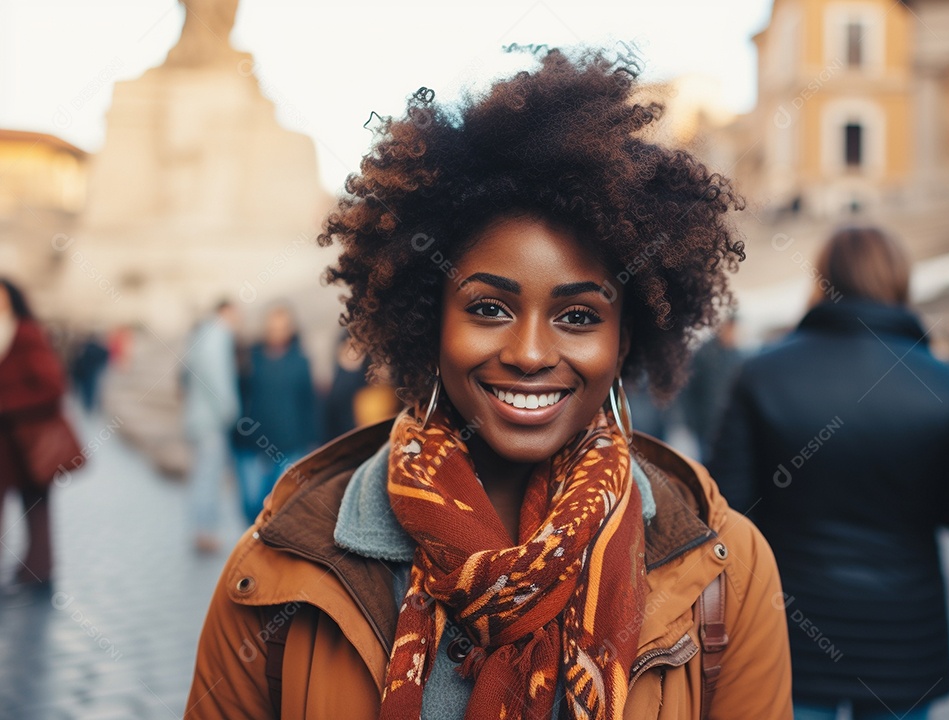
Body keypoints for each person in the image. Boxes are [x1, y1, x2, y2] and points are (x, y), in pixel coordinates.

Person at [187, 47, 792, 719]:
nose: (530, 352)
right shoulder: (277, 569)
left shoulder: (728, 570)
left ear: (625, 341)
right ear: (429, 322)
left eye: (578, 316)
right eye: (489, 309)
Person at [709, 227, 949, 720]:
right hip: (902, 639)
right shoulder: (945, 383)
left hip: (789, 631)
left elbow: (727, 507)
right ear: (900, 282)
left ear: (822, 280)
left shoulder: (763, 373)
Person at [0, 279, 67, 589]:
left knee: (36, 506)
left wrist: (7, 402)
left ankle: (39, 568)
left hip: (27, 440)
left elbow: (52, 386)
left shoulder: (27, 333)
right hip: (6, 441)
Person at [233, 304, 317, 525]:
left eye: (282, 327)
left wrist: (312, 442)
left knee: (280, 508)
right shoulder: (250, 358)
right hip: (251, 446)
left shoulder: (301, 361)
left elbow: (309, 402)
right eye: (273, 327)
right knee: (251, 505)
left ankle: (270, 554)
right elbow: (238, 394)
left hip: (289, 446)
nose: (277, 332)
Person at [182, 299, 241, 554]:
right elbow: (217, 377)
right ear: (225, 312)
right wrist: (229, 410)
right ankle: (205, 532)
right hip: (211, 421)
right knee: (209, 476)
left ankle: (201, 530)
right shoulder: (218, 335)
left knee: (203, 476)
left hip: (199, 418)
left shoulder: (202, 335)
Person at [680, 317, 743, 464]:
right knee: (708, 462)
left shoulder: (736, 355)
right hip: (705, 423)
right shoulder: (704, 354)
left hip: (727, 424)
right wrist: (690, 420)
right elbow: (688, 390)